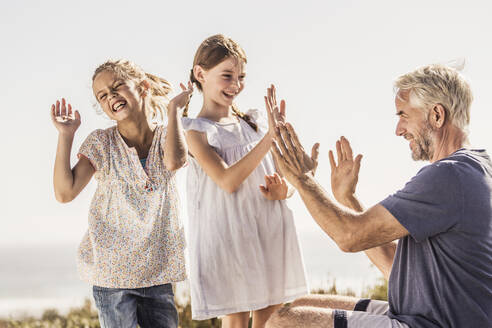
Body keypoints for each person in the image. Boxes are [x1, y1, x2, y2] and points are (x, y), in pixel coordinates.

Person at [267, 64, 492, 328]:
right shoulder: (474, 169)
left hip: (433, 323)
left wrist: (300, 178)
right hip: (426, 315)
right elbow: (394, 266)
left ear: (437, 115)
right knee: (298, 305)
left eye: (404, 115)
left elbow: (349, 236)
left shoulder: (449, 176)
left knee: (285, 322)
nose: (398, 129)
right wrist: (347, 199)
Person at [181, 34, 319, 328]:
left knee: (272, 318)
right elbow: (227, 181)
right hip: (229, 238)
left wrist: (287, 191)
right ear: (200, 74)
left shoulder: (253, 123)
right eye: (227, 76)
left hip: (267, 228)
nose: (236, 84)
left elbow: (283, 177)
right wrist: (270, 137)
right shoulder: (197, 132)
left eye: (241, 76)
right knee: (237, 318)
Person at [50, 59, 192, 328]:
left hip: (158, 272)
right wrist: (66, 135)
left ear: (143, 88)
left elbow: (174, 162)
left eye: (117, 87)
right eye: (102, 96)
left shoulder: (166, 137)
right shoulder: (101, 143)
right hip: (112, 276)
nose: (111, 97)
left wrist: (174, 110)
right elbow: (64, 193)